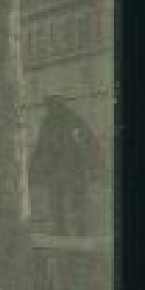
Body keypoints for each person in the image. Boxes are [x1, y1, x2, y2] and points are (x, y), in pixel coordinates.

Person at [31, 95, 101, 236]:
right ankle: (60, 229)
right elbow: (41, 144)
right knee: (57, 199)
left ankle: (81, 230)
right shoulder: (48, 122)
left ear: (60, 105)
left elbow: (90, 141)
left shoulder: (74, 120)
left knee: (77, 200)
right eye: (49, 106)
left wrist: (92, 164)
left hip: (74, 167)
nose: (50, 109)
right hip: (57, 168)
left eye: (53, 105)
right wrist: (36, 165)